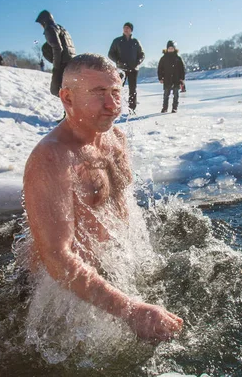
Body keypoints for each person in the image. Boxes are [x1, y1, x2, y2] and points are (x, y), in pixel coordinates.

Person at [22, 53, 184, 342]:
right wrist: (131, 310)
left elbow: (122, 209)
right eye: (99, 93)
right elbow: (57, 257)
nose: (112, 105)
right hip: (62, 289)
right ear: (67, 98)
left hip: (110, 268)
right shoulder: (52, 157)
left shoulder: (116, 140)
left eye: (115, 92)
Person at [35, 10, 76, 97]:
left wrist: (56, 66)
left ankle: (71, 109)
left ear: (43, 21)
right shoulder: (62, 28)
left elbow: (57, 47)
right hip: (71, 61)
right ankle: (70, 108)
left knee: (56, 89)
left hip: (62, 63)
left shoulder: (50, 28)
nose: (41, 26)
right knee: (65, 89)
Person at [108, 22, 145, 113]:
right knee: (118, 88)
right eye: (124, 27)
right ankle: (115, 107)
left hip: (133, 69)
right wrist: (118, 61)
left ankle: (132, 109)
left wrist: (137, 62)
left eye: (128, 28)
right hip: (121, 69)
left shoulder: (135, 42)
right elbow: (110, 54)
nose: (126, 29)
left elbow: (142, 54)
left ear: (131, 30)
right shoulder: (117, 41)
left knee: (133, 89)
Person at [158, 40, 185, 113]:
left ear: (174, 48)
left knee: (176, 94)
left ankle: (174, 108)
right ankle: (165, 107)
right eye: (169, 48)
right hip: (167, 79)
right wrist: (160, 78)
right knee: (166, 94)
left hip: (176, 79)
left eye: (172, 48)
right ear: (167, 49)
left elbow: (182, 69)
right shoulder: (163, 58)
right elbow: (160, 69)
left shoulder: (178, 58)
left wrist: (182, 78)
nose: (170, 49)